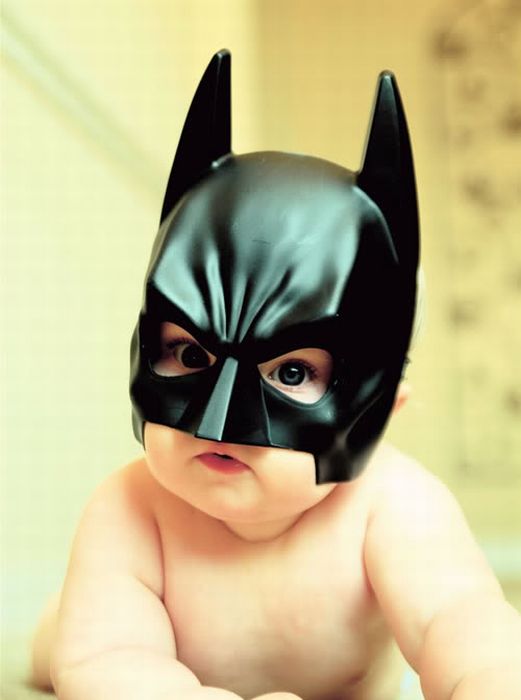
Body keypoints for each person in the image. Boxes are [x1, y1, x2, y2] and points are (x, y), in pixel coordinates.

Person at [31, 51, 521, 700]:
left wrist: (488, 679)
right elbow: (110, 658)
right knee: (68, 644)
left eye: (291, 372)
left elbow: (457, 619)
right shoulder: (133, 507)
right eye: (191, 356)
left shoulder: (391, 506)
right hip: (112, 644)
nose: (218, 422)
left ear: (383, 409)